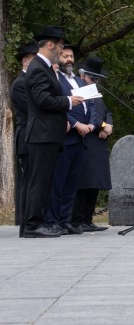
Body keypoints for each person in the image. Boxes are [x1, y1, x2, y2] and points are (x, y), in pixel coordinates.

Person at [23, 26, 84, 238]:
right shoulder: (39, 67)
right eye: (59, 46)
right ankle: (32, 225)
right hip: (42, 134)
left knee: (45, 181)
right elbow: (42, 100)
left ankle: (39, 222)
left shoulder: (47, 67)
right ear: (50, 44)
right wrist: (69, 100)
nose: (61, 49)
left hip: (49, 134)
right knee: (39, 182)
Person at [48, 45, 98, 234]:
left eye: (71, 56)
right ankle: (53, 220)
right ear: (58, 58)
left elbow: (92, 105)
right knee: (59, 182)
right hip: (66, 137)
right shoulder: (55, 80)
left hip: (82, 140)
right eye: (65, 56)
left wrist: (92, 125)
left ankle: (65, 220)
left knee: (72, 184)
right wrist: (77, 124)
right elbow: (58, 106)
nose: (69, 59)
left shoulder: (80, 80)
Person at [72, 55, 114, 232]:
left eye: (97, 79)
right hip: (86, 140)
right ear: (82, 76)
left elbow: (106, 111)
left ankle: (88, 219)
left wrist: (109, 123)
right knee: (84, 183)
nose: (95, 81)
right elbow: (92, 115)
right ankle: (78, 219)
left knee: (95, 183)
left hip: (99, 143)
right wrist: (103, 126)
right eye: (92, 78)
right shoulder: (79, 91)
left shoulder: (95, 91)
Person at [9, 41, 39, 235]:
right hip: (27, 136)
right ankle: (25, 224)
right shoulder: (20, 84)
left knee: (34, 180)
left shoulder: (30, 82)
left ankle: (34, 220)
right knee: (28, 181)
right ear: (26, 60)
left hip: (35, 135)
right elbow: (32, 110)